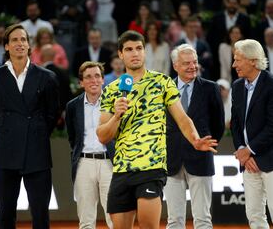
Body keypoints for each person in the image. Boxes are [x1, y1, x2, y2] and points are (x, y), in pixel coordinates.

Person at [96, 30, 218, 229]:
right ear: (120, 54)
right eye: (128, 49)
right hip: (122, 170)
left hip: (152, 168)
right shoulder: (111, 90)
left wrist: (195, 139)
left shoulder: (162, 83)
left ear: (145, 52)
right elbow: (102, 135)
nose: (134, 53)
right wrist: (117, 116)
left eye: (139, 48)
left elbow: (182, 119)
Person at [0, 24, 60, 229]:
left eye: (23, 40)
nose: (20, 44)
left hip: (37, 153)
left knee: (40, 215)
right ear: (7, 46)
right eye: (15, 40)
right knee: (5, 216)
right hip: (6, 153)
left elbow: (52, 115)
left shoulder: (46, 77)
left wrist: (36, 131)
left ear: (29, 45)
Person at [230, 39, 273, 229]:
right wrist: (242, 149)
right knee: (254, 214)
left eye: (238, 60)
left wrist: (249, 150)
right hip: (249, 162)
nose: (234, 65)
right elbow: (235, 124)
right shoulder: (237, 86)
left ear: (253, 60)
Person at [164, 44, 225, 229]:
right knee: (174, 219)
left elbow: (218, 125)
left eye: (195, 62)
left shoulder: (211, 88)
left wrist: (205, 143)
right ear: (175, 65)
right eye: (186, 63)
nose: (192, 66)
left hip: (200, 159)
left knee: (203, 218)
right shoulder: (164, 89)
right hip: (171, 159)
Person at [65, 61, 113, 229]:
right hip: (83, 163)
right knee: (86, 220)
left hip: (110, 163)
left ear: (103, 80)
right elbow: (73, 137)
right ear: (81, 82)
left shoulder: (115, 103)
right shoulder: (72, 107)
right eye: (88, 77)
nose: (94, 80)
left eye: (97, 76)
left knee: (114, 218)